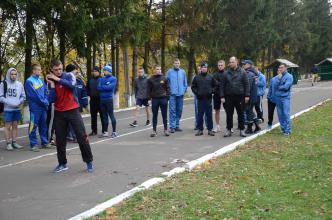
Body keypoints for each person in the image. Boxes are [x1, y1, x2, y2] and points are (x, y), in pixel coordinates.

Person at [46, 59, 94, 173]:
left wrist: (58, 79)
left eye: (60, 69)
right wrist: (52, 85)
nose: (58, 71)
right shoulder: (51, 81)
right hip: (59, 112)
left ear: (62, 68)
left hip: (73, 110)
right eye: (56, 70)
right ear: (52, 70)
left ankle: (89, 161)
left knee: (82, 137)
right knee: (60, 140)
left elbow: (72, 86)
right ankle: (62, 163)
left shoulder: (69, 75)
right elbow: (51, 99)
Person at [220, 57, 249, 137]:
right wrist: (222, 96)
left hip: (240, 96)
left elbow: (246, 84)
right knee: (229, 114)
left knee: (241, 114)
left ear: (236, 62)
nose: (231, 63)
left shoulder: (243, 72)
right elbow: (222, 86)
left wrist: (247, 95)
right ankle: (228, 130)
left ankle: (242, 129)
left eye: (232, 62)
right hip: (228, 97)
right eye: (230, 62)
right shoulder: (226, 73)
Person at [25, 64, 51, 152]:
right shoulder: (29, 81)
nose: (40, 71)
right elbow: (33, 96)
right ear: (34, 71)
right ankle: (33, 144)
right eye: (39, 70)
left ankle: (44, 142)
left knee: (43, 125)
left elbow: (46, 92)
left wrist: (46, 101)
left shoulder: (41, 81)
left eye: (40, 70)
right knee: (33, 125)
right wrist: (44, 102)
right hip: (35, 107)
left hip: (43, 107)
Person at [0, 68, 25, 150]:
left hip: (17, 109)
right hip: (8, 109)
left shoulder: (19, 84)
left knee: (15, 126)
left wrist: (19, 102)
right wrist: (10, 102)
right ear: (8, 74)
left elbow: (23, 96)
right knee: (7, 126)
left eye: (15, 74)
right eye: (12, 74)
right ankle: (8, 143)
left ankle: (14, 142)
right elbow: (1, 97)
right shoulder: (3, 84)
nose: (14, 76)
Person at [191, 62, 216, 136]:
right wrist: (197, 93)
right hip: (200, 99)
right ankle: (200, 130)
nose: (204, 68)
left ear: (207, 68)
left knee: (209, 115)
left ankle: (210, 129)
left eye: (205, 67)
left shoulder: (211, 77)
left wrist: (212, 91)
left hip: (208, 99)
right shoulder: (197, 77)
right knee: (200, 115)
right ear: (201, 68)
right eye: (203, 67)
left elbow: (216, 85)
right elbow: (193, 87)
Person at [65, 64, 89, 142]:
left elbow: (84, 92)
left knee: (76, 122)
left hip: (77, 105)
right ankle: (71, 135)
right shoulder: (65, 81)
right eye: (75, 70)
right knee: (70, 122)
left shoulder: (79, 81)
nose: (76, 71)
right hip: (68, 105)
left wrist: (85, 102)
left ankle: (75, 136)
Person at [147, 64, 170, 137]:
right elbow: (148, 90)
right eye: (157, 69)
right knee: (155, 115)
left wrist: (167, 98)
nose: (159, 70)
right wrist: (149, 99)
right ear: (154, 70)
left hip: (163, 99)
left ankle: (166, 130)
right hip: (155, 99)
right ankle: (154, 131)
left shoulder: (164, 78)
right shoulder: (150, 79)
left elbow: (168, 88)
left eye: (160, 69)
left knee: (164, 115)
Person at [166, 58, 187, 133]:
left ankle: (177, 125)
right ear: (173, 64)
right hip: (172, 95)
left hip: (180, 95)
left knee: (179, 110)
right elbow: (166, 82)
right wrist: (169, 91)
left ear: (179, 64)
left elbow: (185, 83)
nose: (177, 64)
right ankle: (172, 126)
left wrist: (183, 90)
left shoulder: (183, 72)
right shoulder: (169, 72)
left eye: (178, 63)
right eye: (175, 63)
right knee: (172, 110)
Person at [97, 64, 117, 138]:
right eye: (104, 70)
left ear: (109, 71)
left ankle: (114, 132)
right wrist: (105, 86)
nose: (104, 71)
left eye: (105, 70)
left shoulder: (113, 78)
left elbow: (110, 88)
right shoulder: (101, 79)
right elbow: (98, 88)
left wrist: (104, 87)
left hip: (109, 100)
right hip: (102, 100)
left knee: (111, 115)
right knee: (104, 116)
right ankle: (105, 132)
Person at [242, 60, 261, 134]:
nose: (243, 65)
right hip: (253, 96)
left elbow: (248, 86)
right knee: (250, 112)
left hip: (249, 96)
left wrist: (246, 96)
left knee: (248, 112)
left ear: (249, 65)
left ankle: (249, 128)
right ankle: (257, 126)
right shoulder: (254, 73)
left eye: (244, 64)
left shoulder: (249, 74)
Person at [275, 63, 293, 135]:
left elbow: (286, 87)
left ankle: (288, 130)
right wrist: (279, 81)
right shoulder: (278, 76)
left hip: (285, 98)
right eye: (279, 68)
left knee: (286, 114)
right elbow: (275, 86)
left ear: (286, 68)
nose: (280, 69)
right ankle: (283, 129)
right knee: (280, 114)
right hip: (278, 98)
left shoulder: (289, 76)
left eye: (282, 68)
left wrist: (280, 82)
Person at [87, 66, 105, 136]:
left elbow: (104, 88)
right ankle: (94, 130)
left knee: (102, 116)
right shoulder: (90, 80)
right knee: (93, 116)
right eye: (93, 71)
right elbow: (87, 88)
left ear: (98, 72)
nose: (94, 72)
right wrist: (89, 93)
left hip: (100, 100)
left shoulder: (102, 79)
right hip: (92, 100)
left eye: (95, 71)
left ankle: (104, 130)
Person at [212, 60, 225, 133]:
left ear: (224, 66)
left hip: (225, 95)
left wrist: (218, 84)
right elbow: (213, 84)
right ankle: (217, 126)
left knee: (228, 110)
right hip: (217, 95)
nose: (220, 66)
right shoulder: (215, 74)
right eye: (219, 65)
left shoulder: (227, 74)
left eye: (221, 65)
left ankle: (229, 127)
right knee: (217, 110)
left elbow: (227, 84)